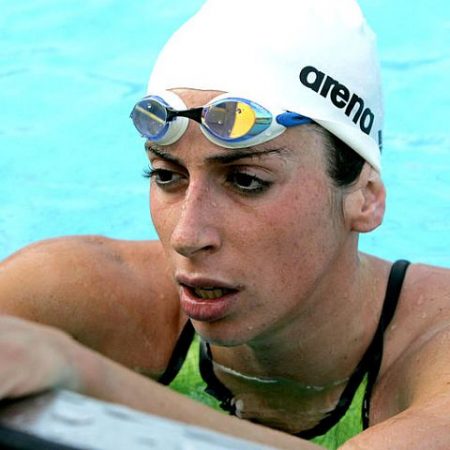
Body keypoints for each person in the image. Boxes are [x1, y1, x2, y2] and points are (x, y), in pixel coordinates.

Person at [0, 0, 449, 448]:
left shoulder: (435, 343)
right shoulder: (74, 293)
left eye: (246, 180)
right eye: (167, 176)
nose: (187, 236)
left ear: (365, 197)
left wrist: (89, 376)